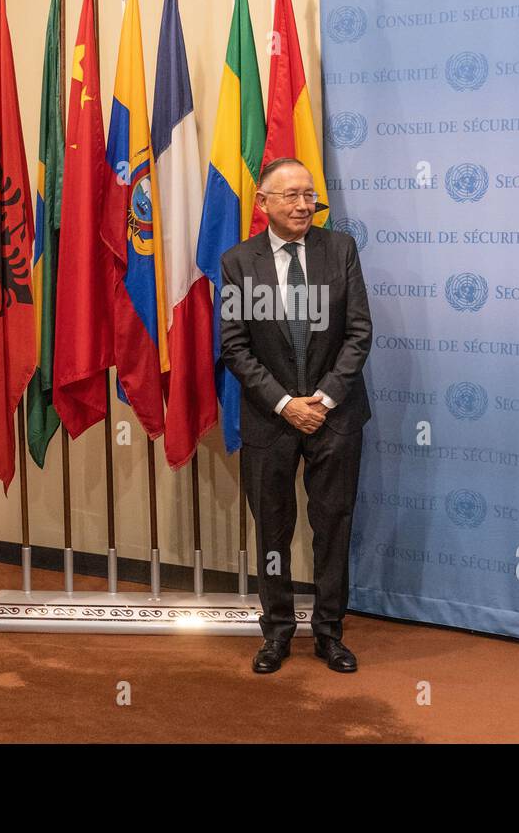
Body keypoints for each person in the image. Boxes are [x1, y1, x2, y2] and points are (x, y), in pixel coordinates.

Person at [220, 157, 372, 674]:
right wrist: (286, 404)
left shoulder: (341, 249)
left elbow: (358, 333)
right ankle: (277, 632)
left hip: (337, 417)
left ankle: (330, 633)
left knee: (333, 525)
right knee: (273, 530)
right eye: (291, 195)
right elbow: (235, 347)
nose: (304, 204)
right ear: (263, 203)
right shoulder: (238, 262)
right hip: (270, 420)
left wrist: (323, 400)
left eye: (309, 195)